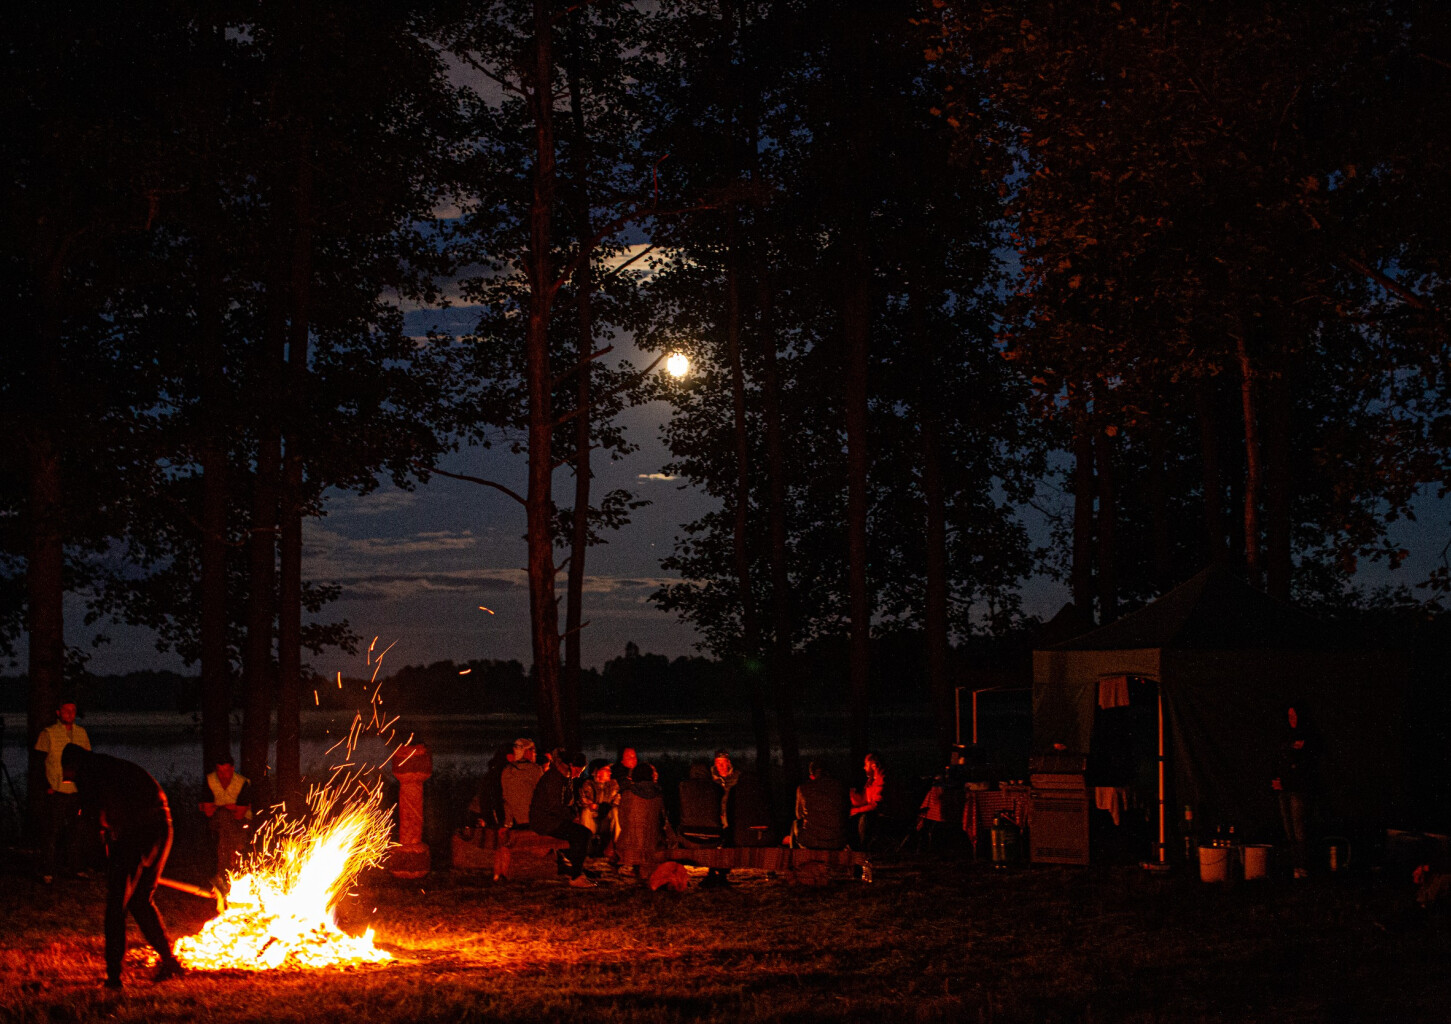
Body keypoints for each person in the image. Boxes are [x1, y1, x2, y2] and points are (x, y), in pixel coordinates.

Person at [61, 744, 184, 989]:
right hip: (163, 826)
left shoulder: (88, 772)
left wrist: (89, 857)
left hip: (139, 831)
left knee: (116, 906)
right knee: (140, 900)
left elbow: (94, 819)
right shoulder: (110, 766)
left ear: (72, 765)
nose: (70, 779)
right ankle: (171, 963)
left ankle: (114, 978)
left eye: (68, 774)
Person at [34, 698, 91, 883]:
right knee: (52, 832)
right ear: (58, 713)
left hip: (76, 791)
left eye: (73, 711)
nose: (70, 714)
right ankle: (47, 871)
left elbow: (88, 761)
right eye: (66, 711)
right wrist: (46, 787)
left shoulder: (81, 733)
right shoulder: (48, 733)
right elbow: (38, 762)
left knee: (76, 831)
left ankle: (76, 868)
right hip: (56, 791)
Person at [529, 748, 595, 887]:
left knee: (582, 834)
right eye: (578, 771)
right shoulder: (554, 778)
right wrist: (572, 815)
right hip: (545, 821)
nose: (578, 775)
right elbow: (555, 807)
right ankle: (576, 876)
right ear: (571, 766)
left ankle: (576, 869)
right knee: (582, 834)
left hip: (553, 819)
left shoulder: (565, 778)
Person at [1272, 705, 1316, 879]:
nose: (1292, 719)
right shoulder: (1285, 737)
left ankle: (1303, 867)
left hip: (1297, 789)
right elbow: (1280, 759)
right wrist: (1275, 779)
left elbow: (1302, 762)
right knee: (1289, 829)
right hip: (1284, 788)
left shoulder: (1307, 737)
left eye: (1295, 715)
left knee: (1299, 829)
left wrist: (1293, 752)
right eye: (1289, 716)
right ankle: (1295, 867)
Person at [615, 763, 676, 880]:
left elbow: (622, 820)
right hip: (653, 844)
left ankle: (634, 866)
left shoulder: (627, 794)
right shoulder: (659, 795)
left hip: (629, 844)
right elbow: (663, 821)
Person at [199, 756, 251, 885]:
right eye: (219, 771)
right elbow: (207, 811)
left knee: (226, 827)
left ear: (232, 769)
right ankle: (226, 874)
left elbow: (239, 814)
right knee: (223, 818)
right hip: (219, 822)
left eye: (226, 771)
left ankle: (225, 874)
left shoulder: (242, 783)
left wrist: (218, 806)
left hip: (241, 822)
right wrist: (230, 806)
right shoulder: (210, 781)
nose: (222, 775)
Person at [793, 761, 850, 850]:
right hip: (837, 840)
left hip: (811, 840)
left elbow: (799, 815)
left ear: (812, 775)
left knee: (795, 824)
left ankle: (795, 857)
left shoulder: (803, 788)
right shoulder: (839, 786)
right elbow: (846, 811)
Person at [500, 738, 546, 828]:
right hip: (535, 820)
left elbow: (506, 799)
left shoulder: (506, 771)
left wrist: (507, 823)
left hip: (517, 822)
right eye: (533, 750)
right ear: (526, 751)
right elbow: (543, 794)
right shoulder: (535, 769)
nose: (535, 754)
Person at [579, 761, 620, 855]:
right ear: (597, 772)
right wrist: (597, 807)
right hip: (593, 820)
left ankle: (616, 846)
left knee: (615, 811)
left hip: (607, 820)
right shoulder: (588, 784)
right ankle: (587, 846)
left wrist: (599, 807)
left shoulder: (613, 785)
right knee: (586, 811)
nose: (610, 772)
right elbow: (585, 801)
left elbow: (616, 802)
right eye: (606, 770)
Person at [850, 752, 886, 850]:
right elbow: (863, 800)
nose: (864, 767)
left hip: (885, 818)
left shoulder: (882, 780)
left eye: (866, 765)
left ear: (873, 765)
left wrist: (855, 810)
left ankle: (863, 850)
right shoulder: (871, 781)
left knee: (864, 818)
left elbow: (875, 805)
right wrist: (850, 795)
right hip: (874, 815)